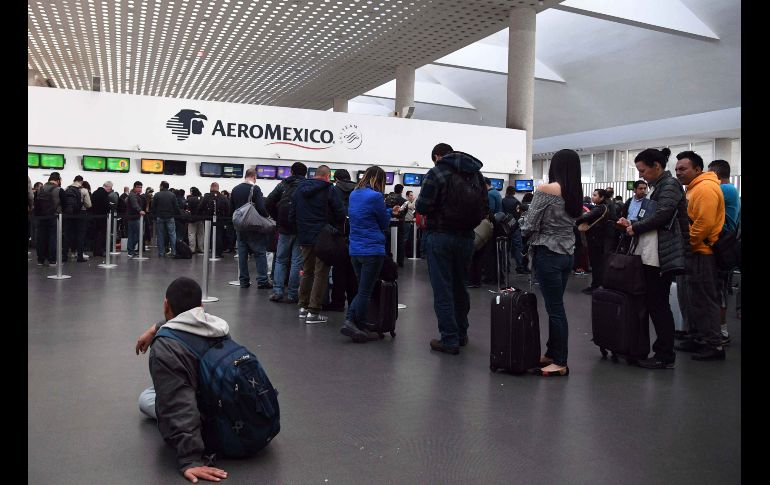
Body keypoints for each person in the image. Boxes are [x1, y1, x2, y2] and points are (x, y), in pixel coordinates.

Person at [134, 277, 231, 483]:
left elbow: (180, 404)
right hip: (230, 401)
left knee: (148, 398)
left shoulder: (165, 347)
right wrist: (154, 328)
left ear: (165, 305)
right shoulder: (216, 325)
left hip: (207, 413)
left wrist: (191, 459)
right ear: (201, 308)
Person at [616, 147, 689, 369]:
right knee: (653, 303)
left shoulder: (669, 186)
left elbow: (662, 215)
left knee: (658, 304)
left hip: (659, 256)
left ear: (656, 166)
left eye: (643, 170)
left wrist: (634, 227)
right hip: (650, 254)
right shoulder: (658, 187)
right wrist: (632, 225)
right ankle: (657, 350)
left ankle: (664, 354)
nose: (641, 175)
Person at [415, 143, 488, 355]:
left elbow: (422, 206)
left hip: (439, 237)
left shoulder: (437, 172)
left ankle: (449, 338)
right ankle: (462, 333)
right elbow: (485, 207)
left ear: (437, 156)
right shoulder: (476, 173)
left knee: (442, 289)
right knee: (460, 286)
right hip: (466, 238)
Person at [520, 149, 583, 376]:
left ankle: (561, 362)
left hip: (548, 253)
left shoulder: (546, 190)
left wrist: (521, 223)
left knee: (555, 309)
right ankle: (551, 353)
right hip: (567, 254)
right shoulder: (575, 192)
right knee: (555, 306)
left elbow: (529, 225)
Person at [674, 150, 726, 361]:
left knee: (705, 300)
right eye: (677, 169)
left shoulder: (705, 188)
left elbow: (703, 225)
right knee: (692, 299)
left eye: (683, 169)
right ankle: (697, 337)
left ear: (697, 169)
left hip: (701, 252)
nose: (678, 173)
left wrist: (688, 245)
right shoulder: (693, 189)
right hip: (693, 251)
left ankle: (714, 345)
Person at [340, 166, 396, 342]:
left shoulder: (354, 194)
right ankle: (350, 321)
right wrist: (389, 210)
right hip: (372, 249)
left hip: (355, 249)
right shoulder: (376, 196)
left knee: (361, 288)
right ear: (379, 180)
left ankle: (360, 323)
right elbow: (383, 222)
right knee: (365, 290)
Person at [289, 165, 345, 324]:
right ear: (328, 176)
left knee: (307, 271)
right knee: (321, 273)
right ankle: (313, 312)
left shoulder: (299, 189)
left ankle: (303, 307)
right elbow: (340, 212)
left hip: (305, 236)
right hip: (323, 237)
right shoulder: (329, 189)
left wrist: (299, 231)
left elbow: (291, 214)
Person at [707, 159, 741, 345]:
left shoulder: (725, 189)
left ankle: (721, 331)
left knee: (718, 290)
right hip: (724, 245)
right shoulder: (732, 191)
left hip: (722, 246)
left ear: (716, 175)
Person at [265, 162, 307, 303]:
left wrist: (278, 218)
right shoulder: (307, 186)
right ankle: (293, 294)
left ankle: (277, 291)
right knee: (296, 262)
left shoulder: (283, 184)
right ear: (305, 174)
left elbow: (269, 202)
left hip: (284, 228)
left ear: (292, 172)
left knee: (281, 259)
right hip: (301, 227)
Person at [231, 168, 271, 289]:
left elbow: (231, 208)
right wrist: (267, 217)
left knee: (242, 254)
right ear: (254, 177)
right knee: (259, 252)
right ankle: (262, 280)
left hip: (240, 226)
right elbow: (260, 207)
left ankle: (243, 281)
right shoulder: (255, 188)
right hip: (253, 226)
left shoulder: (235, 189)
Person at [325, 169, 358, 311]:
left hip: (338, 235)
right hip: (356, 235)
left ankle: (338, 302)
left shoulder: (333, 190)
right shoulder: (358, 189)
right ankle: (353, 303)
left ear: (336, 178)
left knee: (338, 271)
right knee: (353, 271)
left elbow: (328, 212)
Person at [575, 189, 613, 295]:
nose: (592, 197)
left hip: (596, 239)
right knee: (597, 264)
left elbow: (584, 217)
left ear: (601, 198)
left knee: (596, 264)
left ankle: (595, 286)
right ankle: (598, 285)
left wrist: (578, 220)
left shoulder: (600, 208)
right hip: (599, 239)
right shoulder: (604, 207)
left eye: (595, 195)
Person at [34, 172, 63, 265]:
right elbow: (65, 204)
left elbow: (35, 203)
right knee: (53, 238)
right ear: (58, 180)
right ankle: (52, 260)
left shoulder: (40, 189)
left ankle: (40, 260)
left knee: (41, 238)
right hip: (54, 217)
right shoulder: (59, 190)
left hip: (41, 217)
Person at [502, 186, 528, 274]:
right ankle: (519, 267)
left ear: (506, 191)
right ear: (514, 192)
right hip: (515, 227)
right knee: (518, 247)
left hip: (505, 228)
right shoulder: (516, 202)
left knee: (506, 249)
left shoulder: (503, 201)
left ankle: (506, 267)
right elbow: (520, 213)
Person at [152, 181, 181, 258]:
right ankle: (174, 252)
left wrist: (154, 215)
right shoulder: (172, 195)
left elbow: (153, 206)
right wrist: (178, 214)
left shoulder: (157, 194)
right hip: (170, 217)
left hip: (160, 217)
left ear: (161, 186)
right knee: (172, 234)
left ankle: (161, 253)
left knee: (160, 235)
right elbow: (176, 206)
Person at [61, 175, 86, 262]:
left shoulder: (66, 189)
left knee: (67, 236)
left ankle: (64, 256)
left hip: (68, 215)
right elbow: (89, 204)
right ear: (81, 181)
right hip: (79, 215)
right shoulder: (83, 190)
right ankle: (79, 256)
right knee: (80, 236)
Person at [90, 181, 115, 257]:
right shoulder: (104, 194)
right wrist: (110, 206)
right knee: (102, 235)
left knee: (96, 234)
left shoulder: (94, 193)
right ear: (108, 187)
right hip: (102, 217)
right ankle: (100, 251)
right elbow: (106, 206)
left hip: (94, 216)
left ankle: (95, 251)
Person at [385, 184, 407, 266]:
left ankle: (388, 261)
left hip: (389, 223)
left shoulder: (387, 198)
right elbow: (404, 212)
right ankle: (400, 262)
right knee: (400, 242)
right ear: (401, 190)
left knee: (388, 242)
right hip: (400, 223)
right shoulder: (404, 201)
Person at [126, 181, 145, 257]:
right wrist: (140, 210)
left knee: (132, 235)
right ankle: (131, 250)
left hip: (132, 217)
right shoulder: (133, 195)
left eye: (141, 187)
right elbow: (134, 204)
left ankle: (131, 251)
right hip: (134, 217)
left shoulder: (133, 194)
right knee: (139, 234)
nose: (140, 189)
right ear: (134, 187)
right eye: (138, 187)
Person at [186, 187, 204, 253]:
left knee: (191, 234)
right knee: (201, 234)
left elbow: (187, 209)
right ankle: (201, 248)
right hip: (201, 219)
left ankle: (192, 249)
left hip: (192, 219)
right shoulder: (202, 198)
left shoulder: (190, 199)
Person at [401, 190, 417, 258]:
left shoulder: (411, 203)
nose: (412, 196)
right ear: (407, 196)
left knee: (411, 239)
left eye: (412, 195)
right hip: (406, 223)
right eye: (410, 195)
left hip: (412, 223)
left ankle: (409, 254)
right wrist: (415, 199)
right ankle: (403, 254)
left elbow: (414, 209)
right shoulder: (406, 202)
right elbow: (410, 206)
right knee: (405, 239)